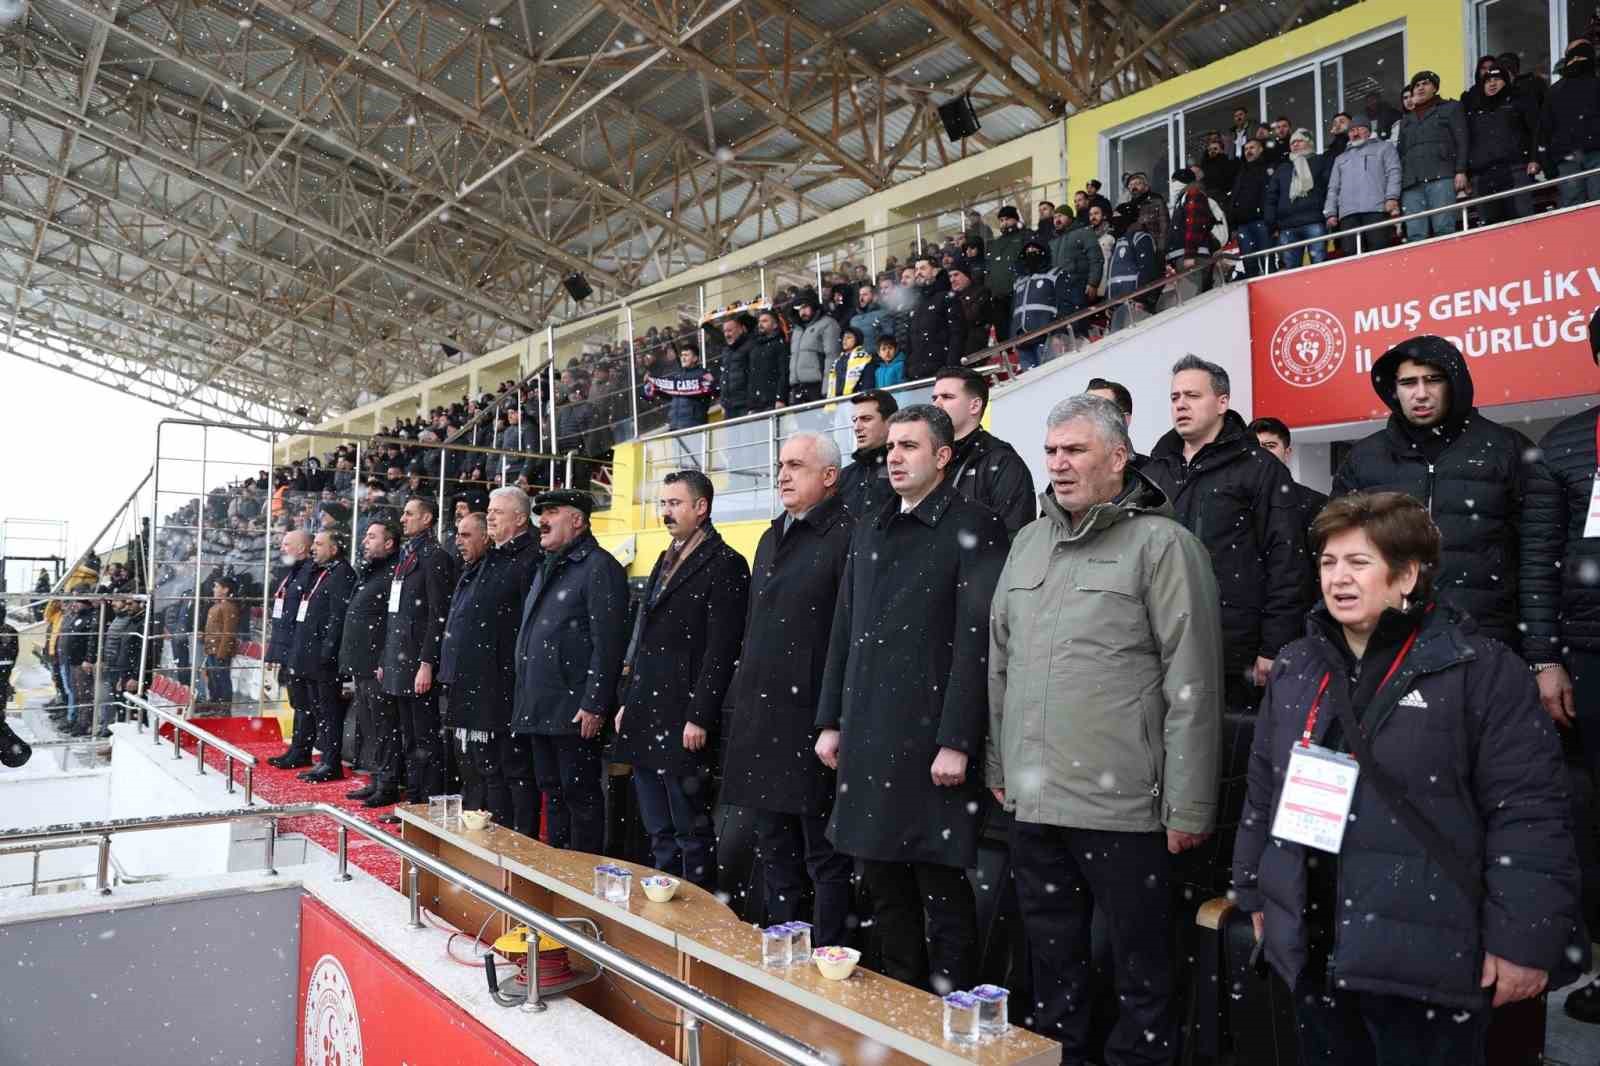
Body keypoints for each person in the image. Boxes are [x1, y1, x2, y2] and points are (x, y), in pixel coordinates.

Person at [1233, 491, 1585, 1065]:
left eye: (1358, 563)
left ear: (1408, 575)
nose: (1338, 578)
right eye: (1327, 562)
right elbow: (1265, 791)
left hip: (1428, 964)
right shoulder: (1298, 666)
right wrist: (1254, 889)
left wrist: (1522, 940)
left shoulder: (1480, 670)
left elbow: (1529, 815)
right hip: (1317, 953)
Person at [989, 393, 1222, 1065]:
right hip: (1036, 803)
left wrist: (1191, 803)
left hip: (1126, 808)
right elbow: (999, 668)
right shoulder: (1028, 544)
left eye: (1076, 450)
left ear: (1118, 458)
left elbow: (1194, 683)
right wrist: (1000, 770)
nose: (1059, 465)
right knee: (1052, 961)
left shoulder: (1163, 546)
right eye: (1052, 451)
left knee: (1140, 970)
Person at [816, 404, 1007, 993]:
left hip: (930, 744)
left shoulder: (977, 525)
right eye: (891, 447)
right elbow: (844, 629)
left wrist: (955, 740)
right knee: (882, 888)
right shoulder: (870, 525)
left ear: (943, 457)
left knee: (942, 891)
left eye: (910, 447)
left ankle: (954, 1018)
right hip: (870, 738)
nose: (895, 457)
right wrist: (830, 721)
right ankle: (900, 1010)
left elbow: (978, 643)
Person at [721, 433, 856, 948]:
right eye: (780, 465)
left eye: (796, 465)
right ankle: (784, 948)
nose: (782, 474)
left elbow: (846, 638)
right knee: (773, 847)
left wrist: (833, 719)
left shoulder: (848, 535)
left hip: (810, 721)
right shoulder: (770, 535)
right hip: (762, 719)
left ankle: (826, 960)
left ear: (828, 476)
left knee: (823, 856)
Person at [1332, 336, 1532, 650]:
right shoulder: (1363, 459)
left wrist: (1542, 654)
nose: (1421, 394)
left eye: (1433, 380)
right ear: (1394, 390)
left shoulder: (1506, 450)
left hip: (1485, 638)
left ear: (1454, 383)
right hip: (1389, 640)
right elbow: (1337, 551)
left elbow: (1538, 556)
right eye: (1409, 383)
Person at [1145, 356, 1309, 714]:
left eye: (1192, 395)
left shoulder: (1259, 468)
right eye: (1175, 398)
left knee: (1229, 757)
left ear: (1222, 402)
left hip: (1233, 650)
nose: (1181, 405)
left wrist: (1274, 644)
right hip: (1160, 642)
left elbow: (1287, 558)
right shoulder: (1157, 469)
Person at [612, 471, 749, 889]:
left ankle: (698, 915)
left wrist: (700, 716)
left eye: (675, 503)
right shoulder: (664, 556)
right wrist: (627, 703)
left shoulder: (727, 563)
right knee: (658, 829)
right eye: (663, 503)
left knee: (690, 828)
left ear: (701, 507)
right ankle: (662, 907)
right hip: (646, 711)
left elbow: (721, 651)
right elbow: (644, 639)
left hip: (684, 717)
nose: (666, 512)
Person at [512, 489, 626, 850]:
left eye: (552, 512)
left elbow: (608, 644)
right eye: (540, 512)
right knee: (554, 795)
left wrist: (594, 703)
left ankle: (581, 880)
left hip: (574, 710)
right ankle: (558, 875)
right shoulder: (547, 566)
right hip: (540, 706)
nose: (541, 520)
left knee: (580, 798)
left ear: (577, 519)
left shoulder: (599, 567)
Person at [380, 497, 457, 807]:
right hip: (399, 662)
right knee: (409, 738)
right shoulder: (408, 555)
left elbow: (438, 615)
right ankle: (414, 800)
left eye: (409, 514)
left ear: (427, 519)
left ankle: (427, 803)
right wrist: (386, 658)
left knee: (425, 739)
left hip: (417, 664)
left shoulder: (434, 557)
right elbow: (395, 615)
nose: (403, 519)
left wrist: (427, 662)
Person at [341, 517, 403, 808]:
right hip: (360, 663)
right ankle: (376, 778)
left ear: (389, 543)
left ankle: (388, 782)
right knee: (369, 724)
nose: (365, 541)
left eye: (372, 536)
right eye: (365, 536)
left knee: (384, 726)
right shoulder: (370, 572)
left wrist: (382, 658)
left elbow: (392, 622)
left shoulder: (393, 573)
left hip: (377, 664)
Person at [931, 367, 1036, 537]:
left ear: (975, 405)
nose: (936, 404)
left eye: (947, 397)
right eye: (934, 398)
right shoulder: (930, 458)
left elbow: (1015, 536)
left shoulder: (1003, 461)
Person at [288, 529, 357, 782]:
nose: (313, 548)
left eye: (319, 544)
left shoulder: (342, 574)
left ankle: (331, 762)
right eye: (313, 543)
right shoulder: (325, 572)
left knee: (328, 711)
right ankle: (324, 759)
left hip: (324, 658)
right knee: (318, 709)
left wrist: (328, 651)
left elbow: (339, 617)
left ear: (335, 548)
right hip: (312, 654)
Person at [1397, 70, 1469, 240]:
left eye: (1425, 84)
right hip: (1411, 183)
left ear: (1435, 88)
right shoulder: (1406, 120)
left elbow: (1462, 140)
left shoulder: (1451, 108)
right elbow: (1401, 153)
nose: (1420, 88)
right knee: (1415, 235)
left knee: (1444, 229)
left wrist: (1461, 170)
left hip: (1442, 176)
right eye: (1417, 85)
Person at [1465, 65, 1540, 225]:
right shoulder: (1474, 110)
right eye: (1488, 80)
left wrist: (1534, 158)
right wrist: (1467, 173)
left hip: (1514, 169)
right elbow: (1466, 143)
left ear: (1506, 82)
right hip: (1483, 176)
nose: (1492, 83)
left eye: (1497, 79)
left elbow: (1535, 132)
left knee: (1522, 222)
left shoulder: (1518, 102)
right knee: (1489, 229)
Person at [266, 529, 316, 769]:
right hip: (287, 650)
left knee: (303, 703)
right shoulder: (292, 573)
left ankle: (302, 750)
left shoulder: (309, 573)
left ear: (302, 548)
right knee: (296, 702)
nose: (282, 548)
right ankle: (297, 747)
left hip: (299, 650)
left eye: (287, 544)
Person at [1324, 116, 1402, 255]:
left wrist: (1392, 197)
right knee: (1351, 257)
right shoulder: (1340, 158)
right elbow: (1333, 188)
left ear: (1368, 130)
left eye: (1359, 129)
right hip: (1348, 215)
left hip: (1376, 209)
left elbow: (1394, 173)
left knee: (1379, 254)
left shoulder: (1384, 147)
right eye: (1351, 130)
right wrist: (1330, 212)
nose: (1355, 133)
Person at [1539, 40, 1600, 208]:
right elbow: (1545, 129)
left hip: (1577, 155)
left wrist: (1547, 162)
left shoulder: (1555, 90)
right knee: (1581, 207)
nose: (1578, 61)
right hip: (1572, 157)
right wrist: (1547, 162)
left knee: (1577, 208)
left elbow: (1544, 130)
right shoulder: (1555, 91)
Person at [1266, 128, 1332, 270]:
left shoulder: (1320, 161)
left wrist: (1328, 214)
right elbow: (1271, 196)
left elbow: (1329, 189)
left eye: (1299, 141)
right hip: (1287, 226)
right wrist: (1272, 224)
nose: (1295, 145)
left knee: (1319, 267)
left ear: (1309, 143)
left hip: (1314, 221)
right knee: (1290, 271)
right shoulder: (1283, 168)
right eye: (1292, 143)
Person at [1008, 238, 1072, 370]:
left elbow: (1065, 304)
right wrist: (1013, 338)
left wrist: (1058, 333)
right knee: (1030, 382)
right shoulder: (1019, 281)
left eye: (1035, 250)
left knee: (1051, 376)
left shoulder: (1055, 274)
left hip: (1046, 337)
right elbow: (1014, 312)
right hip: (1022, 341)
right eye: (1028, 251)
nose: (1031, 253)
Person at [898, 253, 963, 380]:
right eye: (916, 269)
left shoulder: (947, 297)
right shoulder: (916, 303)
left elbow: (957, 334)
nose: (918, 273)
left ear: (935, 271)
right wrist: (908, 370)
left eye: (923, 268)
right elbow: (910, 341)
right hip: (916, 374)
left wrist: (950, 368)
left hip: (940, 371)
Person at [838, 389, 897, 519]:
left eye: (866, 419)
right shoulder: (844, 476)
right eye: (855, 420)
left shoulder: (905, 468)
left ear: (890, 422)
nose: (857, 427)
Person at [1228, 137, 1276, 276]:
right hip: (1243, 225)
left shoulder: (1268, 169)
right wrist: (1234, 223)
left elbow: (1271, 196)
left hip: (1262, 222)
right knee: (1249, 264)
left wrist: (1271, 220)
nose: (1248, 151)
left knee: (1268, 263)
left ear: (1260, 149)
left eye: (1252, 148)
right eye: (1246, 149)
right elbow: (1234, 198)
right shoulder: (1241, 172)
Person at [644, 346, 718, 431]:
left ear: (695, 358)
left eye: (686, 355)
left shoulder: (703, 375)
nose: (683, 358)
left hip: (694, 425)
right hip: (674, 426)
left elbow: (714, 390)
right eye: (682, 355)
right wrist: (653, 386)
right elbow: (670, 396)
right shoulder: (677, 376)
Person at [984, 206, 1027, 338]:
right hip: (998, 296)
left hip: (1017, 292)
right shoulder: (995, 243)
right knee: (1002, 334)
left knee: (1019, 330)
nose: (1004, 223)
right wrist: (990, 287)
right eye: (1001, 220)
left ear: (1015, 219)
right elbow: (989, 267)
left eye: (1007, 219)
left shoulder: (1025, 236)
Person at [787, 293, 838, 405]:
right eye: (798, 309)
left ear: (814, 306)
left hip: (817, 387)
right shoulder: (797, 330)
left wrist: (827, 388)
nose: (802, 312)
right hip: (798, 388)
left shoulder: (828, 323)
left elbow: (832, 356)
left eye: (805, 307)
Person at [1086, 376, 1146, 466]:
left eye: (1100, 410)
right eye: (1084, 409)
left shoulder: (1149, 472)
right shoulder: (1064, 466)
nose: (1088, 417)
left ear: (1124, 420)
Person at [201, 576, 239, 711]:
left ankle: (223, 708)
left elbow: (228, 632)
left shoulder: (228, 607)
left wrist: (222, 653)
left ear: (225, 589)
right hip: (212, 649)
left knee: (222, 680)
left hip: (219, 651)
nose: (214, 589)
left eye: (216, 586)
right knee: (213, 680)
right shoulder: (217, 605)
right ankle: (215, 705)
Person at [945, 259, 992, 357]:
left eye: (956, 275)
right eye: (950, 276)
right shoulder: (948, 297)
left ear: (967, 276)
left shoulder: (981, 291)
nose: (952, 279)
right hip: (956, 348)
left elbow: (970, 317)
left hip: (975, 347)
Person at [747, 310, 790, 413]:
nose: (760, 324)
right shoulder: (755, 345)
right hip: (756, 403)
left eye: (765, 321)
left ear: (775, 325)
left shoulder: (780, 344)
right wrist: (751, 404)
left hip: (772, 401)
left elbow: (783, 372)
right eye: (759, 321)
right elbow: (752, 376)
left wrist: (780, 398)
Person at [718, 314, 755, 419]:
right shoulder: (726, 351)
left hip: (745, 405)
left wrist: (752, 403)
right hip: (729, 407)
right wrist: (723, 402)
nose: (726, 334)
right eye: (725, 331)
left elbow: (753, 376)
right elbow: (724, 376)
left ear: (741, 329)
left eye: (730, 330)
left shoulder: (750, 346)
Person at [825, 327, 872, 399]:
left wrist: (863, 399)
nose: (844, 340)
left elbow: (867, 384)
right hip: (837, 402)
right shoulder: (837, 361)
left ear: (857, 340)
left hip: (856, 401)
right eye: (843, 337)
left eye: (849, 337)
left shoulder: (864, 358)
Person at [849, 284, 887, 353]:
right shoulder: (854, 319)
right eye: (860, 295)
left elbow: (888, 338)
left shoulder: (883, 314)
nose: (861, 298)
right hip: (858, 359)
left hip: (876, 358)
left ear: (875, 297)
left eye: (865, 295)